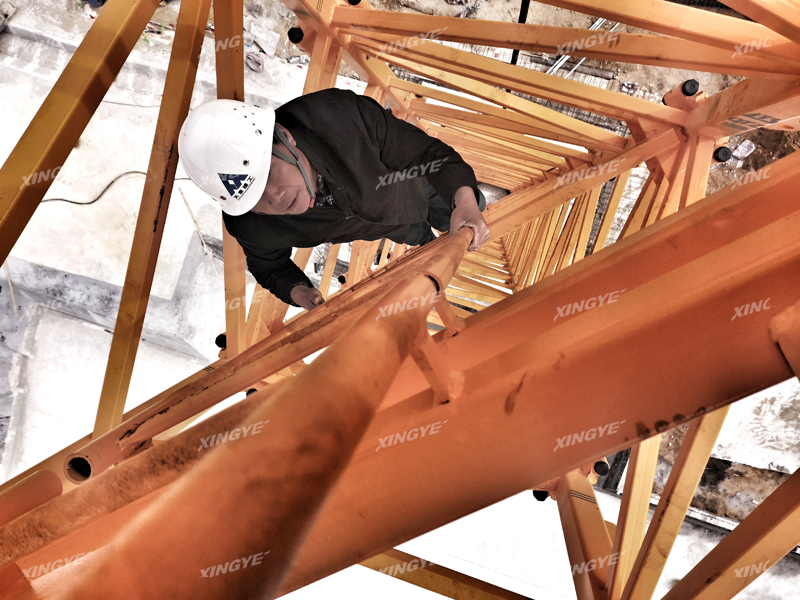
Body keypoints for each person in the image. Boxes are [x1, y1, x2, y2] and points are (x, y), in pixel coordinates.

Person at [178, 88, 490, 311]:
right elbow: (268, 267)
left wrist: (464, 200)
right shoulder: (250, 223)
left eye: (269, 173)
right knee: (423, 240)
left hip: (418, 185)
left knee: (472, 212)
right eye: (255, 196)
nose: (275, 197)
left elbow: (428, 154)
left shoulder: (341, 116)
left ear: (285, 137)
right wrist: (299, 292)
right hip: (387, 225)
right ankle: (424, 236)